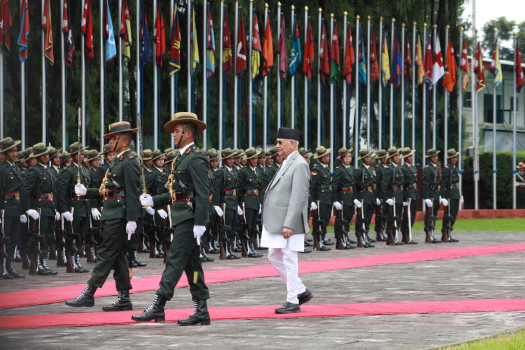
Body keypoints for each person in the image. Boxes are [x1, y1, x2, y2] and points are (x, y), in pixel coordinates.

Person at [133, 112, 211, 326]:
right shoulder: (182, 158)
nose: (173, 135)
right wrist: (153, 200)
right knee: (193, 266)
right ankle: (201, 309)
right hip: (182, 217)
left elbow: (203, 193)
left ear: (187, 132)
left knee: (174, 260)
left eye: (177, 131)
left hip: (189, 218)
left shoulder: (196, 158)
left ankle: (158, 305)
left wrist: (200, 223)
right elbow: (176, 193)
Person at [65, 121, 141, 311]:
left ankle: (89, 293)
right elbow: (106, 191)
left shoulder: (130, 161)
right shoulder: (119, 161)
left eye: (114, 139)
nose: (111, 142)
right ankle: (124, 298)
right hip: (112, 213)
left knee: (106, 253)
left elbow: (132, 192)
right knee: (118, 257)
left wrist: (132, 218)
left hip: (119, 215)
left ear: (124, 141)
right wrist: (86, 191)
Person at [261, 127, 312, 314]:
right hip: (279, 220)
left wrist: (289, 223)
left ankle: (293, 300)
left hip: (289, 222)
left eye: (281, 142)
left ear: (293, 144)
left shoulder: (299, 164)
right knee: (273, 255)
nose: (278, 146)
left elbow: (298, 197)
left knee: (290, 258)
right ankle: (300, 290)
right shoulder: (288, 161)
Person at [20, 143, 60, 275]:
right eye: (43, 154)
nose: (46, 156)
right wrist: (28, 209)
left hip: (49, 207)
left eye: (47, 154)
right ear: (37, 156)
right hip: (40, 208)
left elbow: (52, 192)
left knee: (48, 237)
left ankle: (43, 263)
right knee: (39, 236)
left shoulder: (47, 171)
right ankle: (37, 264)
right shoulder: (34, 171)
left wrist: (56, 209)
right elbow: (26, 191)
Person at [0, 137, 26, 279]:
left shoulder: (16, 168)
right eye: (13, 151)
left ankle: (10, 267)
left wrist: (22, 210)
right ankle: (3, 268)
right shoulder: (2, 169)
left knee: (14, 238)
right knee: (5, 238)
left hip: (15, 207)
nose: (15, 153)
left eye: (16, 151)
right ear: (6, 153)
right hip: (6, 207)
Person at [422, 148, 443, 243]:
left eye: (436, 156)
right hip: (430, 194)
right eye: (433, 156)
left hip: (436, 193)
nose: (435, 158)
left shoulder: (437, 168)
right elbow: (425, 184)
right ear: (430, 158)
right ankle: (428, 233)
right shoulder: (427, 168)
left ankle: (432, 233)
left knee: (434, 215)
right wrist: (426, 197)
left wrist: (440, 194)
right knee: (429, 215)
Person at [440, 149, 460, 243]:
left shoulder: (455, 168)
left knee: (454, 215)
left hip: (455, 192)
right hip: (450, 193)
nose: (455, 159)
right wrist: (443, 196)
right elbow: (443, 183)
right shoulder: (447, 169)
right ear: (449, 159)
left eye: (456, 157)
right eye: (453, 158)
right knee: (448, 215)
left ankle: (449, 232)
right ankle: (445, 233)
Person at [400, 147, 418, 244]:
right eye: (409, 156)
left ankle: (409, 233)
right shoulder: (403, 168)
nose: (411, 158)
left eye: (411, 156)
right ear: (405, 158)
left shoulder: (413, 167)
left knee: (413, 215)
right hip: (407, 193)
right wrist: (403, 197)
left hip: (414, 192)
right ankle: (405, 234)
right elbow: (402, 184)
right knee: (407, 215)